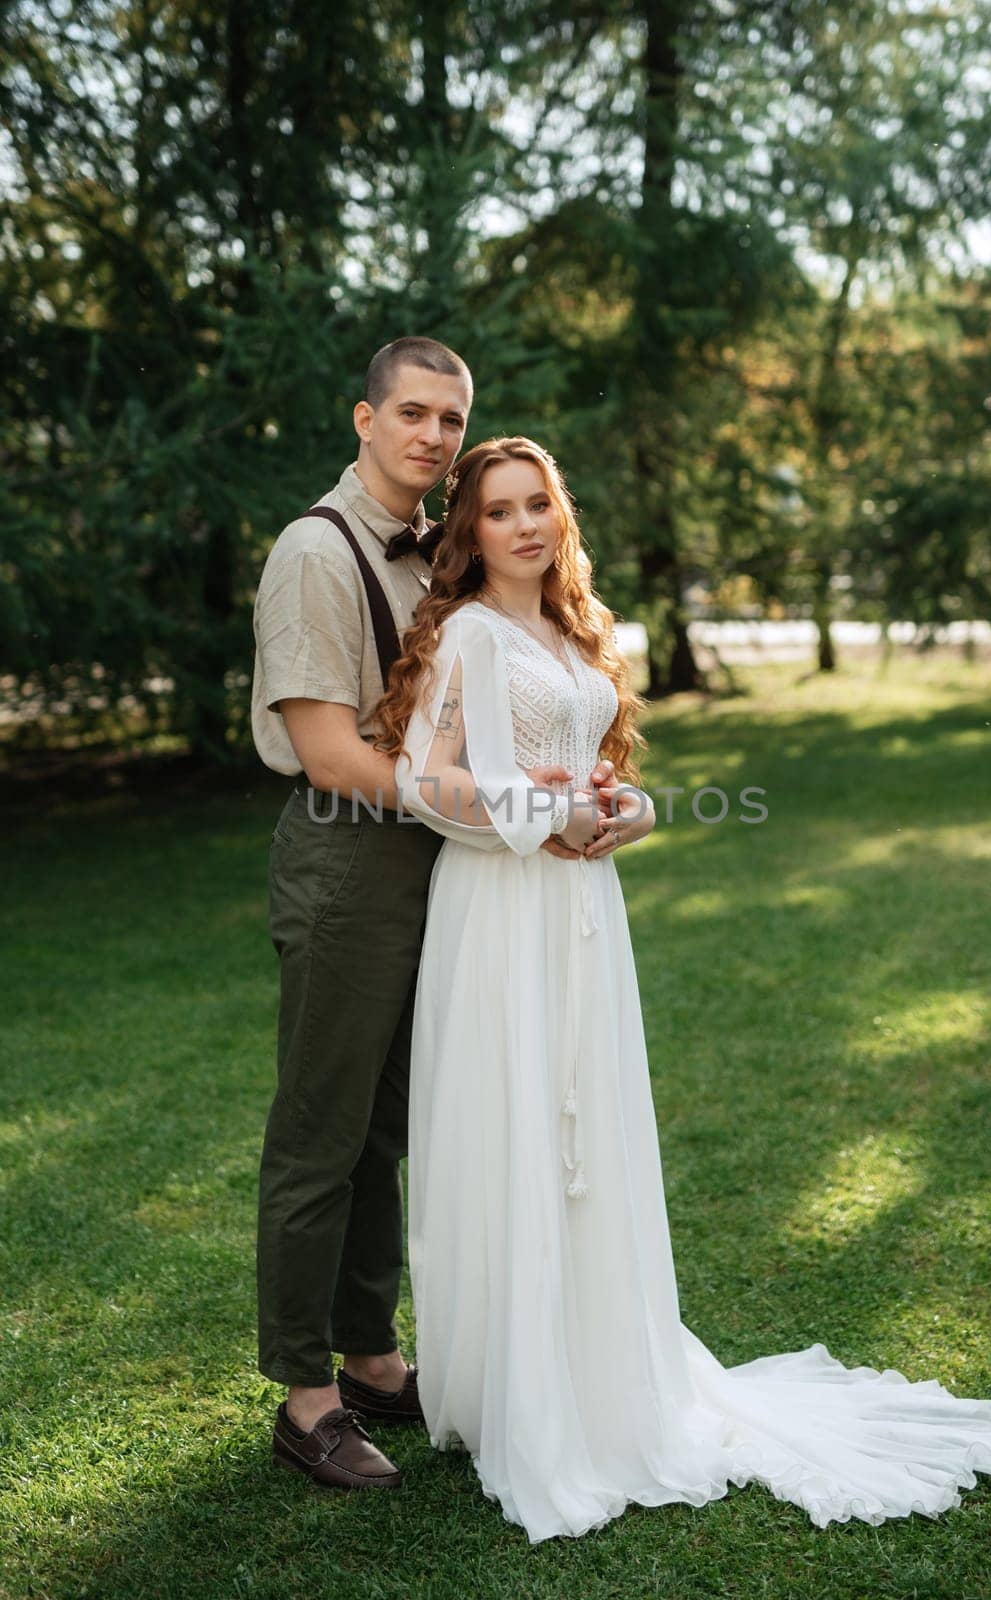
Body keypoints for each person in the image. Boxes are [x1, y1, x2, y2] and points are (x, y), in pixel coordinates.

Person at [374, 435, 991, 1543]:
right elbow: (418, 778)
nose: (525, 525)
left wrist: (630, 810)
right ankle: (517, 1388)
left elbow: (604, 770)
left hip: (584, 913)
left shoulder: (572, 631)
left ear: (558, 517)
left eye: (539, 505)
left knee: (594, 1131)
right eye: (498, 511)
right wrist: (544, 815)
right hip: (500, 913)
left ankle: (605, 1369)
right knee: (519, 1121)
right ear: (469, 531)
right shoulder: (468, 635)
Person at [250, 343, 617, 1491]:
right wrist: (520, 812)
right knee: (322, 1131)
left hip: (446, 868)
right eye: (413, 412)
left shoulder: (437, 558)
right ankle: (305, 1397)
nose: (434, 434)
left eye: (451, 418)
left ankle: (371, 1358)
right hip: (350, 865)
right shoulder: (319, 550)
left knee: (386, 1132)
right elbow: (328, 750)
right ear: (366, 417)